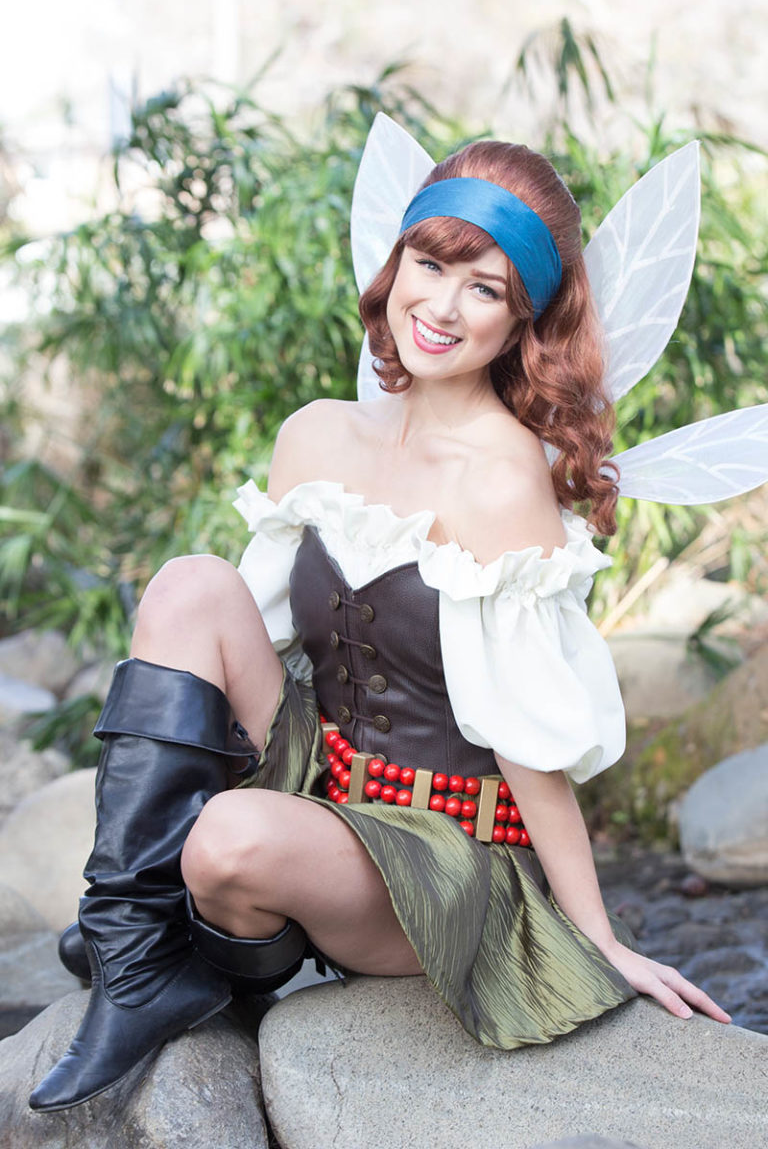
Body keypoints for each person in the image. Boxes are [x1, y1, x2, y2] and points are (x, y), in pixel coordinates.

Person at [30, 134, 730, 1114]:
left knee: (226, 837)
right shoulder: (317, 434)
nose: (441, 307)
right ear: (395, 261)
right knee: (191, 586)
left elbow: (529, 745)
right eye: (430, 264)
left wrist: (598, 937)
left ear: (521, 320)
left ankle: (189, 924)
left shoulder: (503, 480)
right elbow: (259, 654)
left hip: (447, 859)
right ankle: (135, 943)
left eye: (484, 289)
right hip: (323, 782)